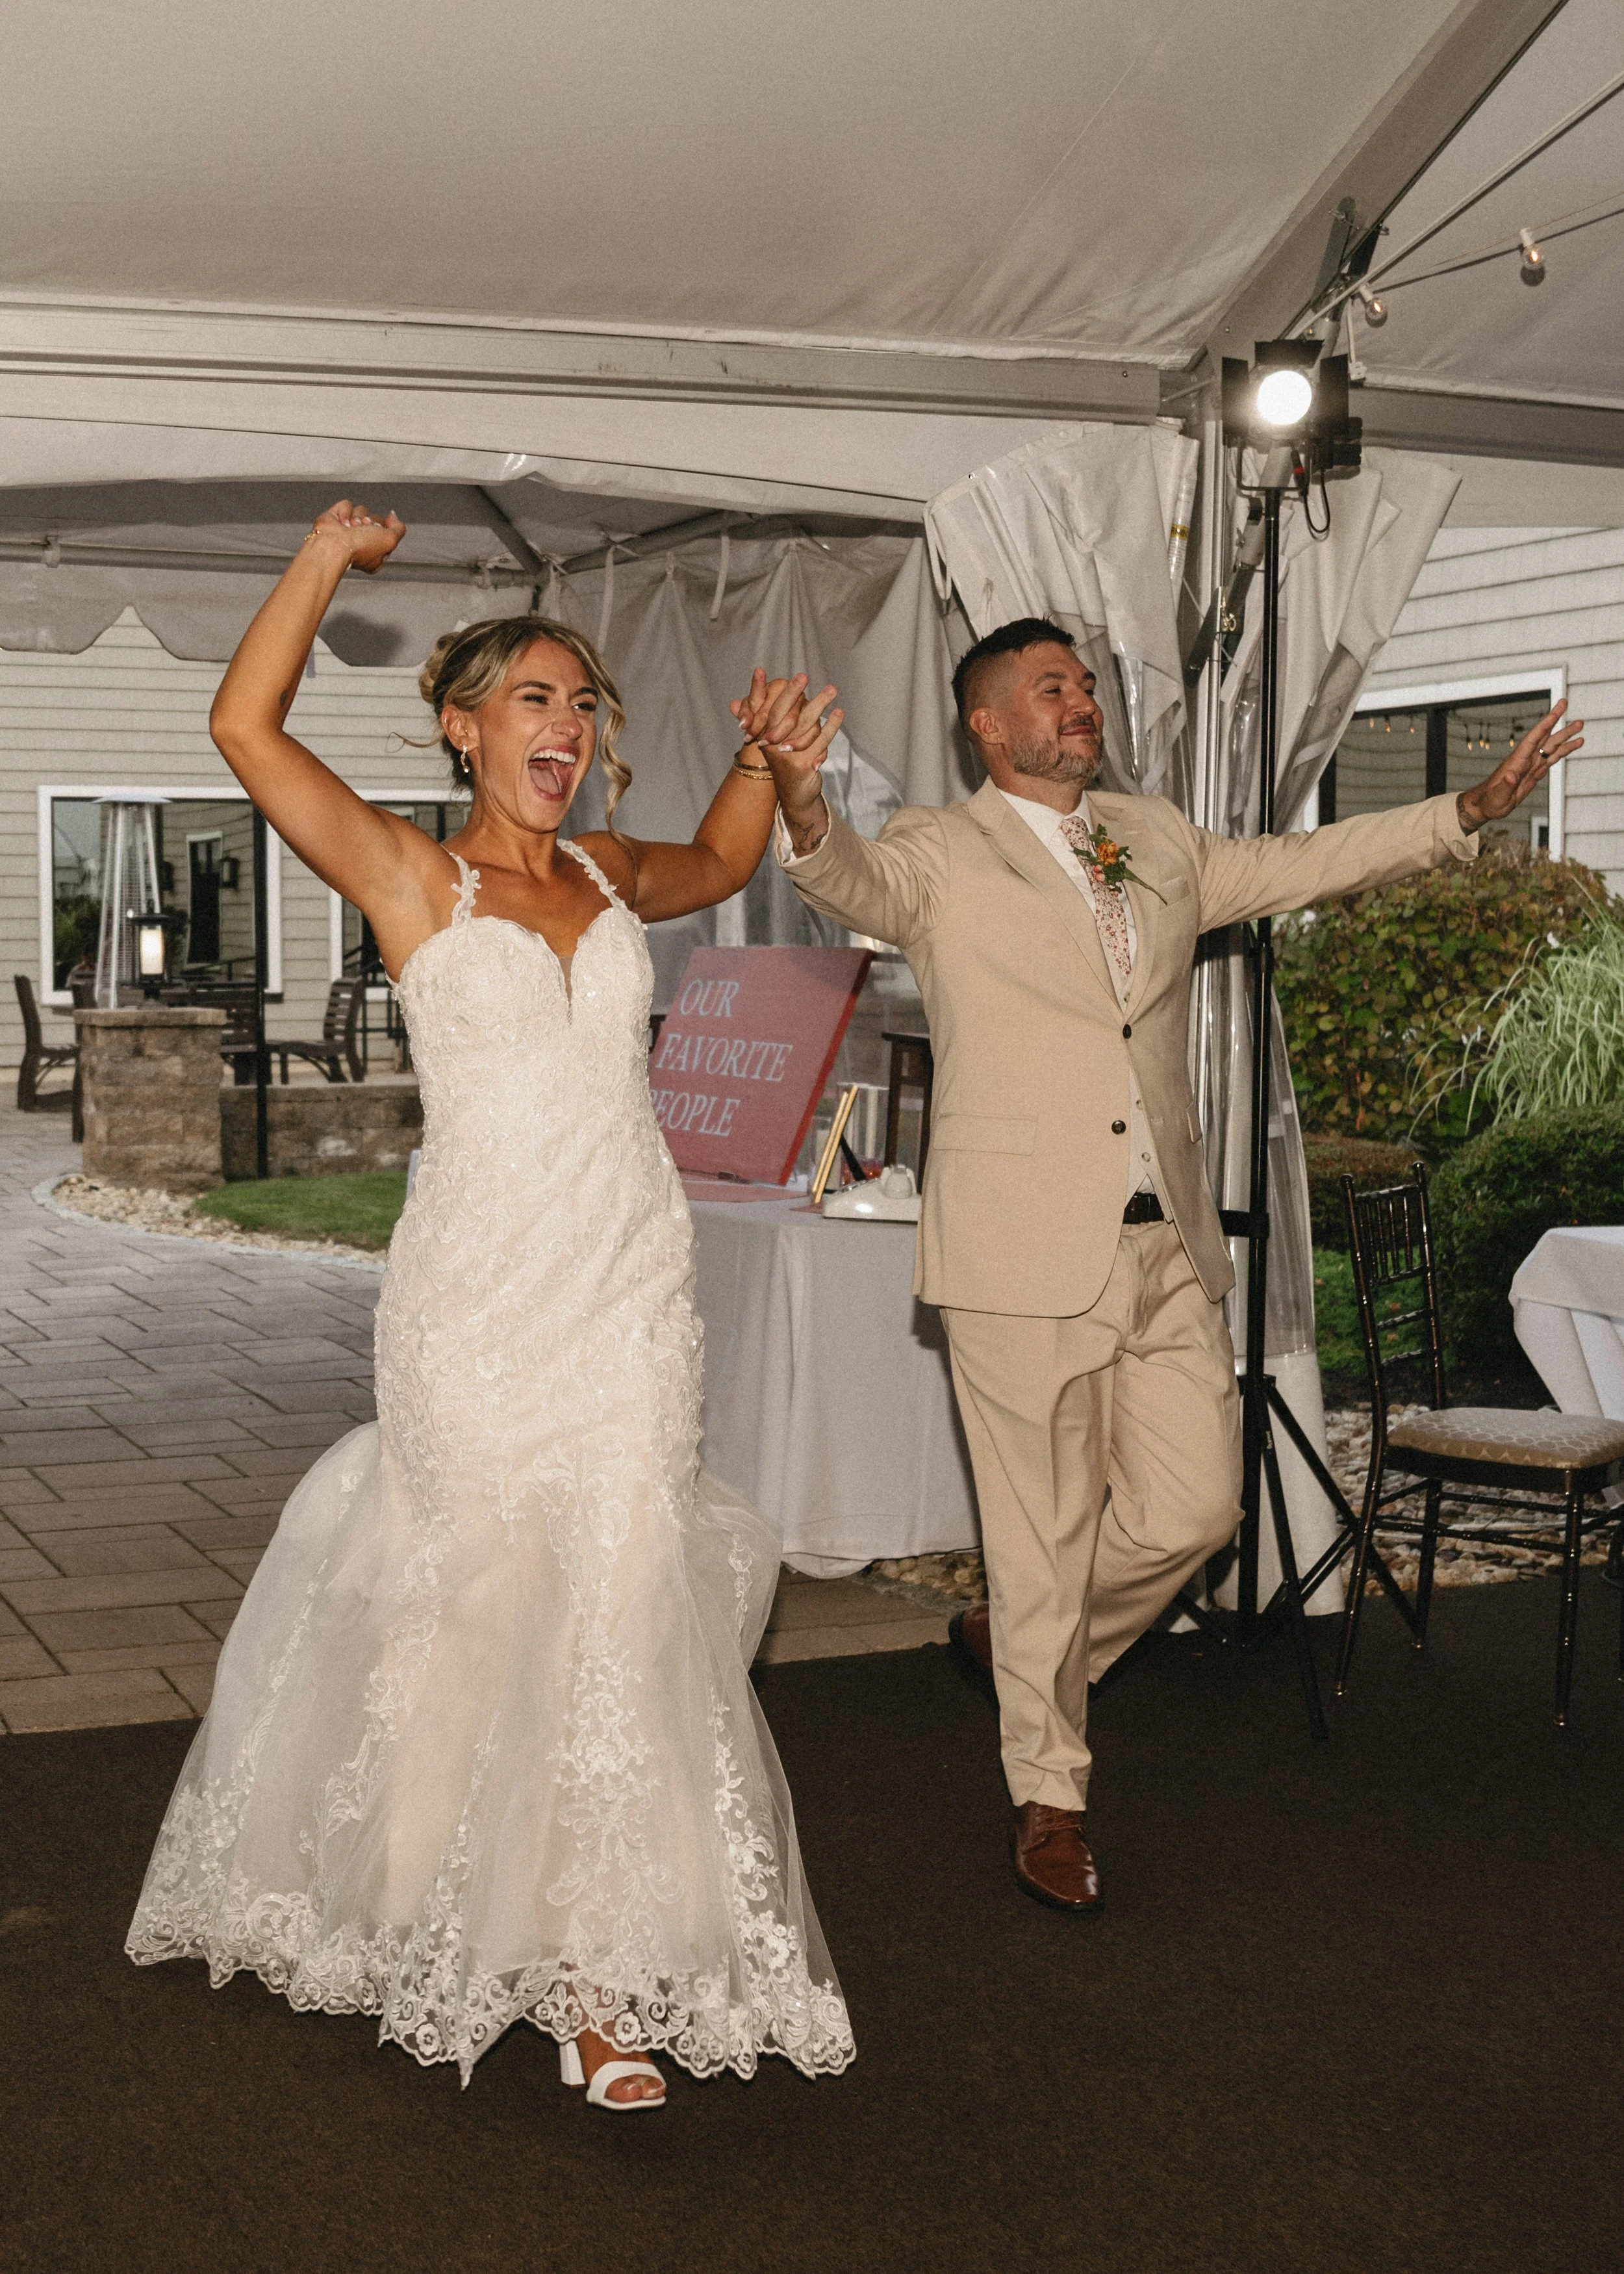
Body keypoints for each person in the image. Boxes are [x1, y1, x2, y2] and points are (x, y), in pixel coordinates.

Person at [127, 500, 857, 2107]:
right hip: (475, 1294)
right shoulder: (408, 874)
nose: (568, 723)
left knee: (620, 1597)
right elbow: (241, 722)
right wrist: (322, 556)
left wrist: (762, 752)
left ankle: (600, 1982)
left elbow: (736, 855)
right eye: (534, 697)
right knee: (471, 1603)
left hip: (628, 1290)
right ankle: (426, 1894)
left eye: (582, 703)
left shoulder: (608, 871)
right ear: (463, 727)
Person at [761, 614, 1580, 1912]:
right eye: (1050, 688)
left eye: (1083, 685)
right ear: (989, 724)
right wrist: (800, 794)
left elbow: (1301, 859)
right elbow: (845, 875)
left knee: (1198, 1507)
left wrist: (1462, 809)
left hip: (1164, 1239)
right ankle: (1049, 1792)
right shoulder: (938, 848)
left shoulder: (1150, 838)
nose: (1078, 702)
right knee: (1037, 1532)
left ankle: (1032, 1645)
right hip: (1018, 1248)